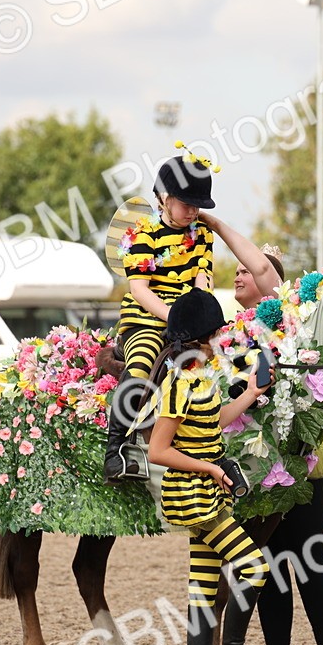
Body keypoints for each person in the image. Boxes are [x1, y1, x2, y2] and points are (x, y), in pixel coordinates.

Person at [201, 211, 323, 645]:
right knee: (266, 559)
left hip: (304, 459)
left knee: (307, 556)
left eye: (248, 268)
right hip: (256, 461)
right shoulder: (232, 331)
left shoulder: (298, 323)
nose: (240, 273)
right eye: (238, 270)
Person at [147, 288, 276, 645]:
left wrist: (252, 394)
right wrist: (212, 468)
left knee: (202, 589)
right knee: (255, 567)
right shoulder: (178, 382)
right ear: (203, 335)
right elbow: (158, 450)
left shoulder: (200, 375)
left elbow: (214, 421)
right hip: (193, 494)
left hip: (207, 494)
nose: (221, 338)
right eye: (216, 332)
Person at [104, 148, 218, 482]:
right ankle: (115, 452)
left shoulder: (203, 234)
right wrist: (175, 318)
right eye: (187, 204)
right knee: (141, 365)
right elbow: (140, 289)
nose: (193, 211)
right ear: (164, 198)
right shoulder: (141, 233)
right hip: (146, 319)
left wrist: (204, 320)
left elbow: (202, 283)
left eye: (198, 206)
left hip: (188, 318)